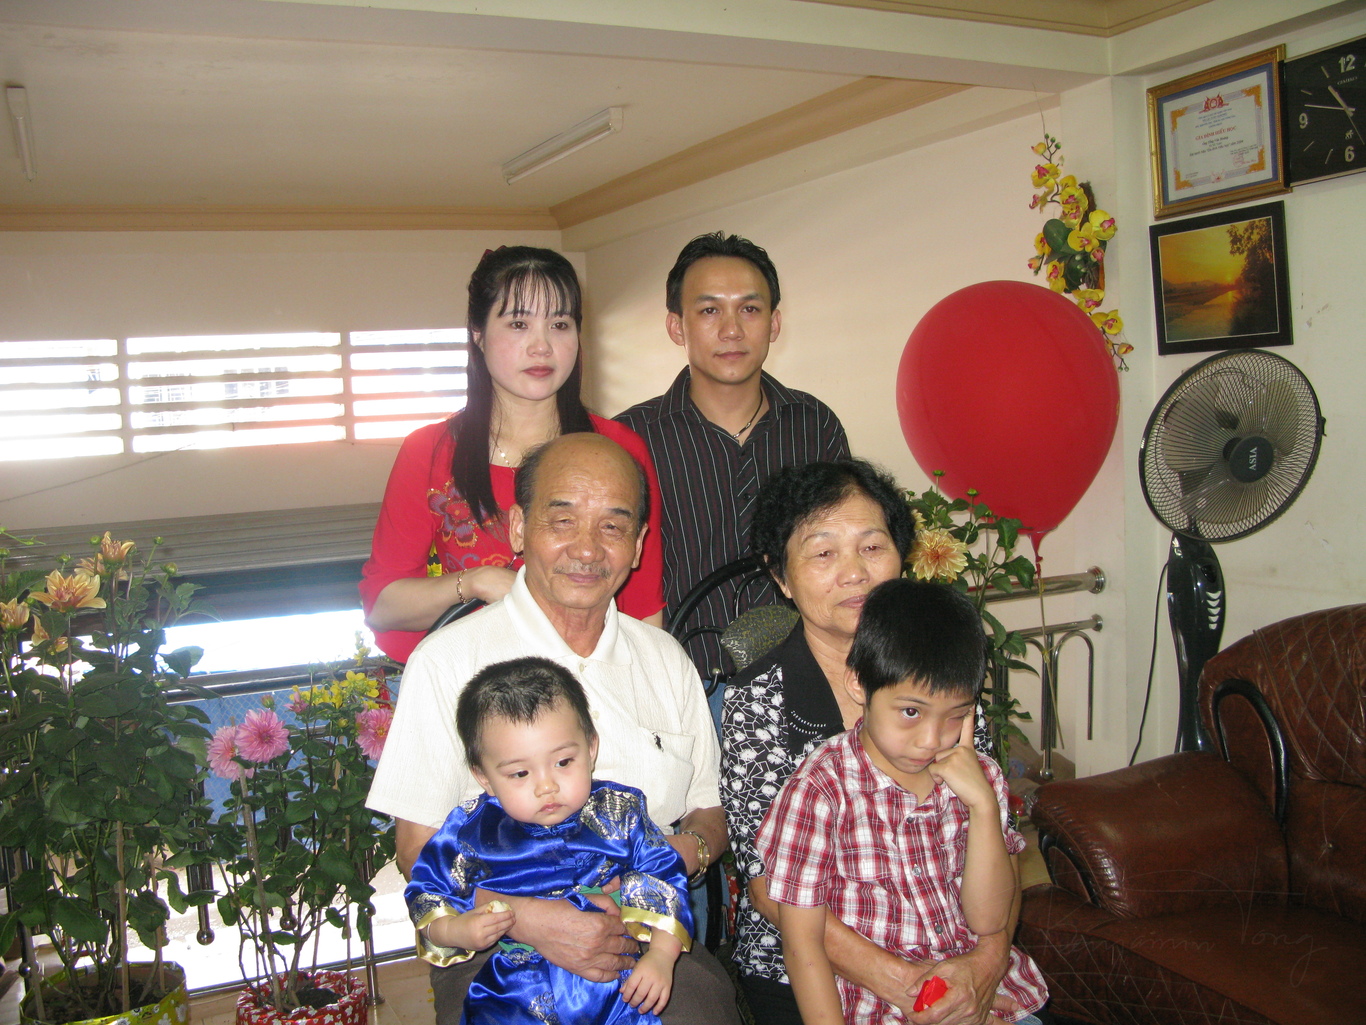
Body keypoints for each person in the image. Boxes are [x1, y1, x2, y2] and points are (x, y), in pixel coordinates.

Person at [367, 431, 739, 1025]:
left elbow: (708, 811)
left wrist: (667, 864)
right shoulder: (447, 661)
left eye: (613, 526)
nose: (587, 549)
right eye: (562, 521)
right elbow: (417, 852)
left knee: (701, 1009)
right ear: (519, 528)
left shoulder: (665, 659)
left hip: (645, 933)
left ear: (639, 545)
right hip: (498, 939)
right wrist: (530, 918)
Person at [721, 460, 1012, 1025]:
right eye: (823, 553)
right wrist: (907, 985)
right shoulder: (758, 700)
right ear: (782, 577)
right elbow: (767, 887)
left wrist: (983, 965)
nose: (854, 573)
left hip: (948, 943)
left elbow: (994, 834)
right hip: (807, 970)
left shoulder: (943, 676)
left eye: (872, 547)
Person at [757, 578, 1050, 1025]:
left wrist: (984, 809)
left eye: (956, 716)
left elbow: (990, 922)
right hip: (877, 1008)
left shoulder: (979, 777)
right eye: (911, 712)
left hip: (984, 1001)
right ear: (859, 683)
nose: (931, 740)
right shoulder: (820, 790)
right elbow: (804, 946)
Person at [361, 245, 665, 663]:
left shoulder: (619, 450)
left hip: (591, 679)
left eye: (560, 324)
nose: (542, 346)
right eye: (519, 324)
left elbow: (644, 607)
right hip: (472, 680)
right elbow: (383, 603)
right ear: (478, 333)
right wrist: (477, 582)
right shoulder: (428, 452)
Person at [407, 656, 691, 1025]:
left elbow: (663, 876)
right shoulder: (471, 833)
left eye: (563, 762)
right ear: (484, 777)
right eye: (520, 773)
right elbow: (427, 891)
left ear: (590, 748)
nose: (546, 786)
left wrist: (661, 956)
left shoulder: (618, 812)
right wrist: (455, 929)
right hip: (515, 993)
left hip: (615, 985)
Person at [615, 232, 848, 680]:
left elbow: (844, 554)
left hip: (809, 678)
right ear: (676, 326)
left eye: (749, 309)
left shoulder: (815, 426)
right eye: (709, 311)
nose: (731, 330)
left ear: (774, 323)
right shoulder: (630, 439)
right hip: (681, 684)